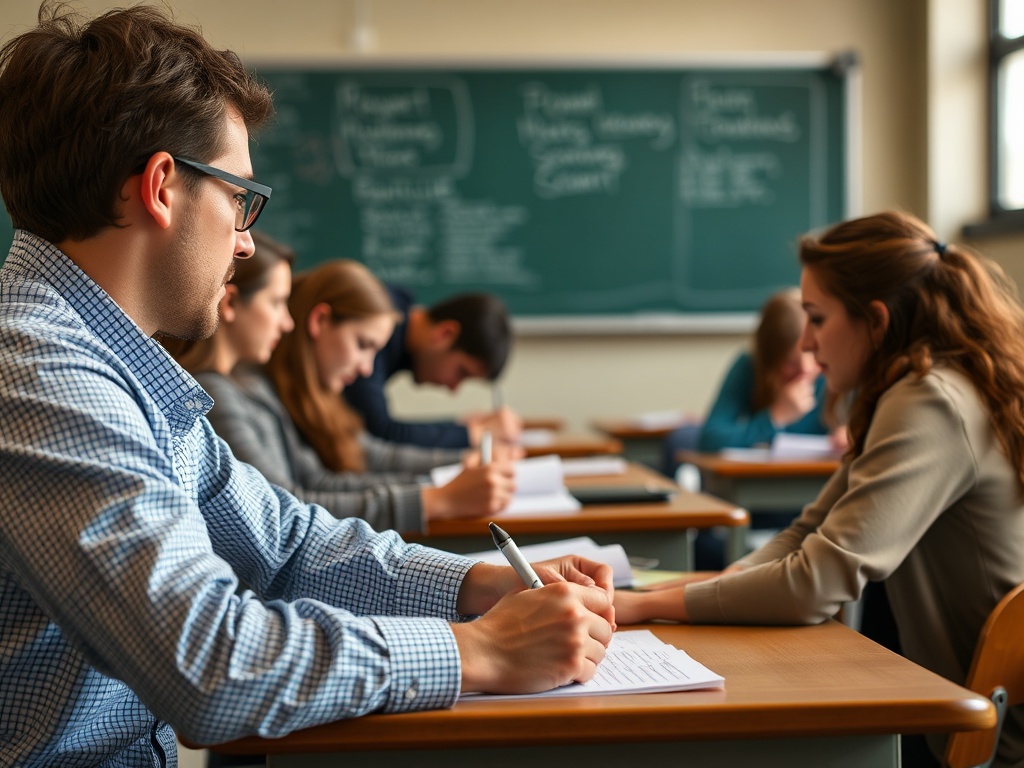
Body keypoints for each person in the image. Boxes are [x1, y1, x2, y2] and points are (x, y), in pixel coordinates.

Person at [0, 5, 615, 766]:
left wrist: (477, 585)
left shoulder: (112, 363)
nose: (247, 239)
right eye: (239, 198)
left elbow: (288, 546)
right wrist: (474, 652)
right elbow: (211, 667)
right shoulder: (38, 374)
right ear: (162, 187)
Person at [615, 211, 1024, 767]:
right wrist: (724, 586)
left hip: (984, 724)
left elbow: (813, 583)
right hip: (941, 689)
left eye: (816, 318)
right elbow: (809, 531)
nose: (805, 343)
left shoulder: (930, 400)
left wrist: (647, 606)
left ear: (875, 320)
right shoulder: (916, 386)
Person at [164, 234, 517, 535]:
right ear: (231, 303)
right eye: (276, 303)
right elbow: (284, 508)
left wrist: (448, 479)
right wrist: (436, 498)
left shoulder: (252, 390)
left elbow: (319, 481)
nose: (288, 322)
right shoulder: (216, 396)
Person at [342, 286, 523, 449]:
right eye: (462, 372)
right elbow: (379, 432)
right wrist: (475, 433)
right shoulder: (381, 319)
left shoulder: (398, 316)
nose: (454, 389)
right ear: (445, 334)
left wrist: (462, 427)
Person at [695, 288, 843, 453]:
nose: (805, 369)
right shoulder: (749, 366)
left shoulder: (838, 372)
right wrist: (775, 417)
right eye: (790, 363)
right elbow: (710, 439)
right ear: (770, 360)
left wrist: (852, 436)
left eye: (813, 354)